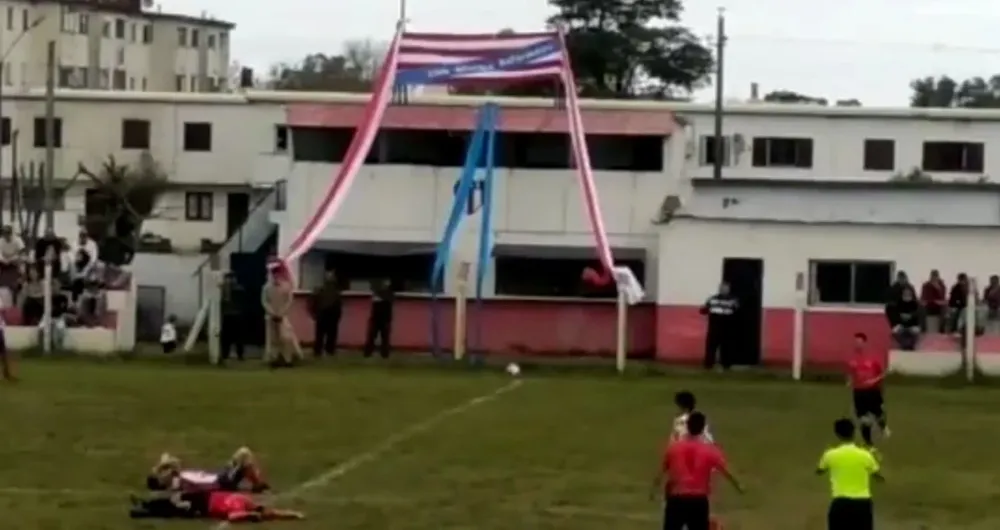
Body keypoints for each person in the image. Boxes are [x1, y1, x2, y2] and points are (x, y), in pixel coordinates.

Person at [653, 412, 742, 530]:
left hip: (677, 500)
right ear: (702, 428)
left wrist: (653, 490)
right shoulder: (710, 450)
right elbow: (726, 471)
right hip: (698, 501)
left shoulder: (674, 448)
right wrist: (739, 486)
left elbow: (662, 472)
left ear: (687, 426)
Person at [816, 418, 882, 530]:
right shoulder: (865, 455)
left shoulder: (830, 455)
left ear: (837, 434)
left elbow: (820, 471)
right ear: (854, 433)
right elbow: (878, 476)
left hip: (840, 503)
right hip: (862, 504)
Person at [847, 332, 889, 448]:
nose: (857, 344)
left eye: (859, 342)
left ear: (865, 343)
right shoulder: (852, 358)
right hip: (859, 391)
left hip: (872, 390)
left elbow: (883, 374)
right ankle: (868, 442)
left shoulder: (873, 357)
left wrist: (874, 381)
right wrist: (850, 381)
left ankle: (883, 427)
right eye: (856, 342)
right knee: (863, 417)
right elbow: (851, 373)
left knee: (878, 413)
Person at [262, 264, 295, 368]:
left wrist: (283, 311)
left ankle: (287, 359)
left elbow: (289, 300)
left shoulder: (286, 286)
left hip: (283, 316)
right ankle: (274, 359)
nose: (276, 276)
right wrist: (271, 311)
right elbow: (264, 301)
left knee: (286, 338)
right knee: (273, 339)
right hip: (271, 316)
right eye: (274, 274)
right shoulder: (266, 287)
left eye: (277, 274)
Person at [700, 282, 738, 371]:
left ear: (729, 289)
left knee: (726, 347)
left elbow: (737, 312)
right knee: (711, 346)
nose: (724, 290)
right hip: (714, 326)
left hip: (727, 327)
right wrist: (705, 309)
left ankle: (726, 365)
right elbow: (703, 310)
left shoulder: (733, 300)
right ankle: (708, 365)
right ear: (719, 289)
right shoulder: (712, 299)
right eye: (723, 288)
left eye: (726, 288)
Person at [310, 269, 342, 357]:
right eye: (329, 276)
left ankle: (329, 350)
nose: (330, 278)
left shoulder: (336, 290)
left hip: (332, 315)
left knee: (331, 334)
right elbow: (312, 301)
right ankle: (318, 351)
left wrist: (338, 315)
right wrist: (313, 313)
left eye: (332, 276)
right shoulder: (319, 289)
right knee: (320, 334)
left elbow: (338, 303)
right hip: (322, 314)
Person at [363, 278, 394, 359]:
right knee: (373, 333)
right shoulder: (376, 283)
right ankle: (368, 353)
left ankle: (384, 354)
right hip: (378, 309)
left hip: (385, 308)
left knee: (385, 334)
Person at [219, 273, 246, 362]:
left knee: (239, 337)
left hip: (236, 315)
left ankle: (240, 355)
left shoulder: (238, 289)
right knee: (226, 337)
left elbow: (239, 294)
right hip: (227, 315)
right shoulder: (223, 290)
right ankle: (225, 354)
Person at [886, 286, 920, 350]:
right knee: (896, 331)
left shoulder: (916, 304)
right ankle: (905, 345)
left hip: (912, 325)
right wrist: (899, 322)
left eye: (908, 293)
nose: (907, 295)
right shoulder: (897, 303)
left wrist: (911, 317)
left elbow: (918, 317)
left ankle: (909, 346)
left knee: (915, 332)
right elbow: (894, 316)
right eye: (905, 293)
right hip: (900, 324)